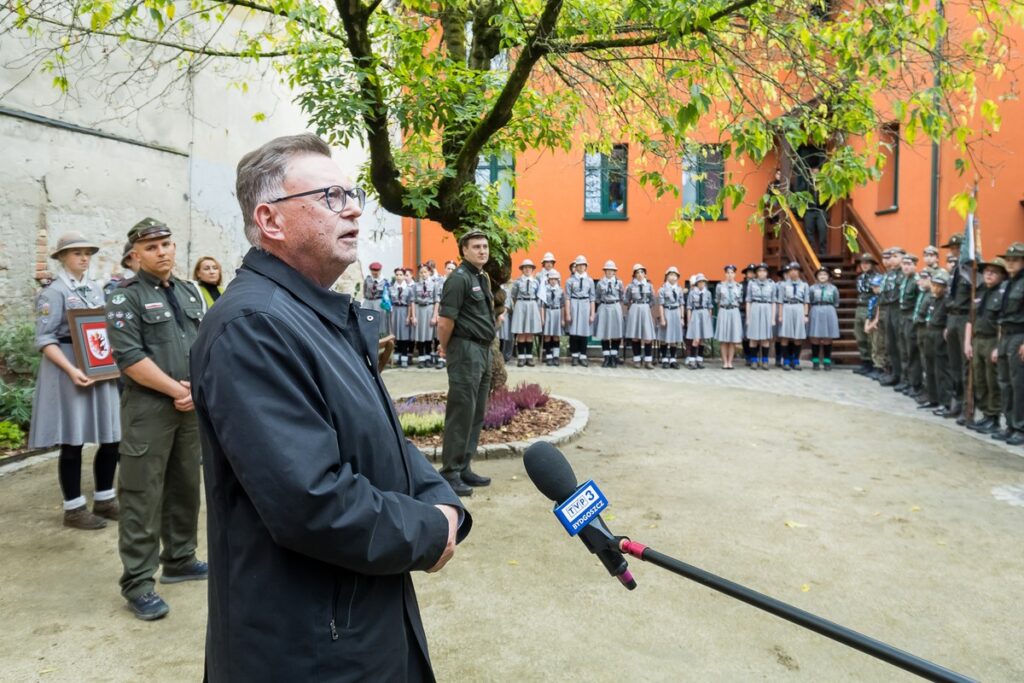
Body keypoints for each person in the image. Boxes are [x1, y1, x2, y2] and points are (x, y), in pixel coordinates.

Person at [191, 134, 470, 680]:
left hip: (359, 620)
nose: (355, 209)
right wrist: (427, 530)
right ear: (271, 221)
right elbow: (311, 501)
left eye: (353, 193)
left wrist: (443, 501)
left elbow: (379, 436)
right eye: (331, 196)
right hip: (309, 647)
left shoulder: (316, 314)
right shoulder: (254, 327)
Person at [105, 217, 206, 620]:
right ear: (135, 255)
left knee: (185, 483)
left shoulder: (187, 291)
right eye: (151, 247)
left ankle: (180, 559)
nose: (162, 251)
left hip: (190, 405)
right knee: (142, 493)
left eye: (166, 244)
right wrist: (177, 390)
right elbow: (129, 358)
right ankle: (138, 582)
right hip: (149, 408)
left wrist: (196, 388)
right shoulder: (122, 297)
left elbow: (204, 344)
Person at [29, 232, 121, 530]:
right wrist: (71, 370)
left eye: (87, 253)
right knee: (73, 439)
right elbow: (44, 339)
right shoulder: (54, 292)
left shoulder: (94, 288)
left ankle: (105, 498)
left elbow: (101, 327)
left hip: (98, 365)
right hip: (70, 366)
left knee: (111, 436)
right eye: (76, 253)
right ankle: (74, 508)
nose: (84, 258)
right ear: (62, 258)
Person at [434, 229, 496, 496]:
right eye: (477, 247)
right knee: (461, 412)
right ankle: (449, 472)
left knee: (476, 412)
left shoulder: (481, 277)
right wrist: (445, 347)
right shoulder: (458, 279)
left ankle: (464, 466)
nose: (483, 250)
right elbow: (446, 320)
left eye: (485, 246)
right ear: (464, 251)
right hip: (465, 350)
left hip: (482, 351)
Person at [965, 258, 1007, 433]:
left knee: (992, 380)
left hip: (992, 340)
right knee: (980, 380)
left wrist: (999, 346)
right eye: (986, 271)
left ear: (1002, 276)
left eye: (994, 272)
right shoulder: (980, 291)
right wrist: (967, 342)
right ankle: (985, 414)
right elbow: (971, 319)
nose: (988, 274)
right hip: (978, 340)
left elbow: (1004, 323)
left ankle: (994, 417)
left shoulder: (1003, 294)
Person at [940, 233, 978, 421]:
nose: (954, 251)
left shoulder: (971, 270)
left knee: (965, 364)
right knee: (953, 362)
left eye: (957, 248)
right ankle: (956, 398)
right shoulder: (955, 271)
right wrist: (948, 323)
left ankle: (967, 406)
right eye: (952, 248)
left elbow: (974, 299)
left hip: (965, 318)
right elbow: (950, 297)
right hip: (953, 318)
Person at [993, 243, 1024, 445]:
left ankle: (1020, 427)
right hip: (1005, 336)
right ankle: (1010, 424)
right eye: (1008, 260)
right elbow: (1002, 315)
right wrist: (998, 344)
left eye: (1015, 260)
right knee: (1004, 383)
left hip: (1020, 336)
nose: (1010, 263)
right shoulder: (1008, 283)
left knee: (1018, 384)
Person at [924, 270, 954, 417]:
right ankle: (933, 398)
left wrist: (947, 328)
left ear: (945, 287)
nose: (935, 288)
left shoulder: (947, 300)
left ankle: (946, 402)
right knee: (929, 367)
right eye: (934, 284)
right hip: (929, 332)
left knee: (942, 370)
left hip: (940, 334)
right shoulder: (932, 299)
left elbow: (950, 317)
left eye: (939, 286)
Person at [878, 247, 905, 385]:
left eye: (896, 256)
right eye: (891, 256)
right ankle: (895, 373)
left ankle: (904, 377)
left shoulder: (904, 274)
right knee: (891, 344)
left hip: (898, 310)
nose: (892, 259)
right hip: (888, 309)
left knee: (901, 344)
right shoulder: (889, 274)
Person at [895, 253, 921, 395]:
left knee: (912, 353)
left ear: (915, 266)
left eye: (909, 264)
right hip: (902, 316)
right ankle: (905, 381)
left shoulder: (916, 282)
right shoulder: (904, 280)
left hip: (911, 318)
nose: (905, 267)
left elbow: (919, 302)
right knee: (903, 351)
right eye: (904, 264)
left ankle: (915, 384)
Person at [776, 262, 809, 371]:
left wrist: (805, 315)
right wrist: (780, 315)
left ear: (799, 272)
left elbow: (806, 301)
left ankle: (795, 360)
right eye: (791, 270)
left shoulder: (804, 285)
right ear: (788, 272)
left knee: (798, 337)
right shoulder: (783, 285)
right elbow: (780, 301)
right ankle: (785, 360)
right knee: (785, 336)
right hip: (787, 307)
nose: (793, 272)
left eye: (796, 270)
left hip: (799, 308)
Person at [623, 264, 656, 369]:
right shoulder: (630, 286)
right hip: (635, 309)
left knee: (648, 337)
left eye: (642, 272)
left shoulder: (649, 286)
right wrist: (633, 307)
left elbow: (653, 300)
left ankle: (648, 361)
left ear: (645, 274)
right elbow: (626, 300)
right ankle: (636, 359)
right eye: (637, 272)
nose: (640, 274)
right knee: (635, 336)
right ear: (634, 275)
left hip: (645, 309)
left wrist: (646, 306)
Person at [565, 255, 595, 367]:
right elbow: (567, 297)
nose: (581, 267)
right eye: (579, 265)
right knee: (574, 333)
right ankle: (574, 356)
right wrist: (568, 313)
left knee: (584, 332)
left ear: (586, 266)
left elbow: (592, 298)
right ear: (575, 266)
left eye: (583, 265)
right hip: (574, 304)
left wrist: (592, 314)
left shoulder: (590, 280)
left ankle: (583, 355)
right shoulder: (570, 281)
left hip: (585, 305)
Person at [807, 266, 840, 370]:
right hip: (816, 309)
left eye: (825, 274)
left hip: (829, 310)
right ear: (817, 276)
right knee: (815, 337)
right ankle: (815, 361)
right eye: (820, 274)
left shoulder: (833, 288)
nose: (822, 276)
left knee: (827, 337)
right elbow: (810, 299)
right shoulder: (812, 288)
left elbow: (836, 301)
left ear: (829, 276)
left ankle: (827, 361)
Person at [510, 259, 542, 367]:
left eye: (529, 267)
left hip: (532, 305)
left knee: (529, 332)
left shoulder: (536, 282)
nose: (527, 269)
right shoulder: (517, 282)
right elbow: (513, 296)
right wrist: (518, 306)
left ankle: (529, 357)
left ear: (532, 269)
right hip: (521, 304)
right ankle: (521, 358)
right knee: (521, 332)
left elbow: (538, 295)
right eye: (525, 267)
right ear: (522, 269)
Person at [852, 253, 880, 375]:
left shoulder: (878, 278)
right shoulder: (859, 278)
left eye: (867, 263)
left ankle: (874, 364)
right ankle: (865, 362)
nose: (864, 265)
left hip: (871, 308)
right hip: (860, 307)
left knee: (871, 338)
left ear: (872, 264)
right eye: (862, 263)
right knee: (859, 336)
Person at [595, 260, 625, 367]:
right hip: (604, 307)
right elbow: (597, 297)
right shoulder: (600, 283)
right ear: (605, 271)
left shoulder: (619, 283)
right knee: (605, 333)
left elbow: (622, 296)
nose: (609, 272)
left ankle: (613, 356)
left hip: (615, 306)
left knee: (616, 333)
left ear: (614, 271)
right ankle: (606, 357)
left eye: (611, 270)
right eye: (607, 270)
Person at [911, 271, 934, 406]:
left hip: (926, 330)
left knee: (927, 363)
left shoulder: (931, 295)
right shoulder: (923, 294)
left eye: (925, 278)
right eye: (921, 278)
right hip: (919, 328)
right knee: (922, 360)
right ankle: (924, 390)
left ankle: (929, 392)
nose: (922, 281)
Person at [745, 263, 775, 370]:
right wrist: (748, 318)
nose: (762, 273)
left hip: (766, 308)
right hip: (755, 308)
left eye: (764, 271)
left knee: (765, 338)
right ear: (756, 273)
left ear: (767, 273)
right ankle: (754, 360)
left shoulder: (772, 284)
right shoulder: (751, 284)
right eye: (759, 271)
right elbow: (748, 301)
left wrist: (772, 318)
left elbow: (773, 302)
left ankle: (765, 361)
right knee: (754, 337)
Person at [714, 265, 743, 369]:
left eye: (732, 273)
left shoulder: (739, 287)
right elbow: (717, 300)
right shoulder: (720, 286)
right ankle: (724, 362)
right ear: (725, 274)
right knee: (723, 338)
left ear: (735, 274)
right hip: (724, 311)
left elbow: (740, 300)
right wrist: (722, 311)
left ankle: (730, 362)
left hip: (734, 311)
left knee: (732, 338)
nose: (730, 275)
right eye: (728, 273)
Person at [411, 263, 440, 368]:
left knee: (428, 335)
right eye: (421, 272)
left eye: (425, 272)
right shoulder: (415, 285)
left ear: (429, 273)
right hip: (419, 310)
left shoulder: (434, 285)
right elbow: (413, 301)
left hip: (429, 309)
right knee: (420, 335)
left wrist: (434, 316)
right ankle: (421, 358)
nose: (423, 274)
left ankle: (428, 358)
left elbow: (437, 301)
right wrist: (413, 316)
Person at [657, 266, 685, 369]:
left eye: (675, 275)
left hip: (676, 312)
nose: (673, 277)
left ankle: (673, 359)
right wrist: (662, 318)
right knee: (664, 337)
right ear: (667, 276)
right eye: (671, 275)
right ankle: (664, 358)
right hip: (667, 311)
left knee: (674, 337)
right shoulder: (662, 289)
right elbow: (660, 304)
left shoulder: (679, 289)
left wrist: (682, 317)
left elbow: (682, 304)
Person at [685, 273, 713, 369]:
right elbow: (689, 307)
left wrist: (708, 319)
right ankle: (692, 360)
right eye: (700, 282)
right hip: (696, 314)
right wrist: (689, 320)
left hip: (704, 315)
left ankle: (699, 359)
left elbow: (710, 307)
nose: (701, 284)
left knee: (702, 340)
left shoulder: (708, 293)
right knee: (696, 339)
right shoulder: (692, 293)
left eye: (703, 282)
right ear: (696, 283)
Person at [801, 166, 828, 255]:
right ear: (810, 171)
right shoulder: (806, 182)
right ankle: (811, 252)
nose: (815, 172)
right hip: (809, 210)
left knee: (822, 230)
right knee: (809, 232)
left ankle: (822, 251)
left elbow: (828, 195)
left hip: (820, 210)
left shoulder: (823, 183)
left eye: (816, 171)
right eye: (813, 171)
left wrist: (824, 206)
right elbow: (800, 193)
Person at [540, 270, 565, 366]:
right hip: (548, 312)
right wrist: (542, 318)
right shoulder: (544, 290)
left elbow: (562, 305)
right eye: (551, 279)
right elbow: (542, 305)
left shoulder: (561, 290)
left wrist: (562, 319)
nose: (553, 281)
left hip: (557, 313)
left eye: (555, 279)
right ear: (548, 280)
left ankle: (556, 356)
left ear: (558, 280)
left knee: (556, 335)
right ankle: (549, 356)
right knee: (547, 335)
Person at [391, 267, 414, 368]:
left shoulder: (409, 289)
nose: (399, 277)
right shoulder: (391, 288)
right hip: (395, 311)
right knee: (396, 334)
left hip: (404, 311)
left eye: (401, 275)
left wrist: (409, 316)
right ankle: (397, 357)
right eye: (397, 275)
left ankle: (404, 357)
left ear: (404, 276)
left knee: (404, 335)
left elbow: (410, 303)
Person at [740, 263, 757, 366]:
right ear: (746, 274)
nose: (751, 274)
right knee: (745, 336)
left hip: (755, 312)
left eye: (753, 272)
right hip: (743, 311)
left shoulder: (757, 285)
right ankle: (747, 356)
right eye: (749, 272)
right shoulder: (741, 285)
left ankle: (754, 355)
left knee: (755, 335)